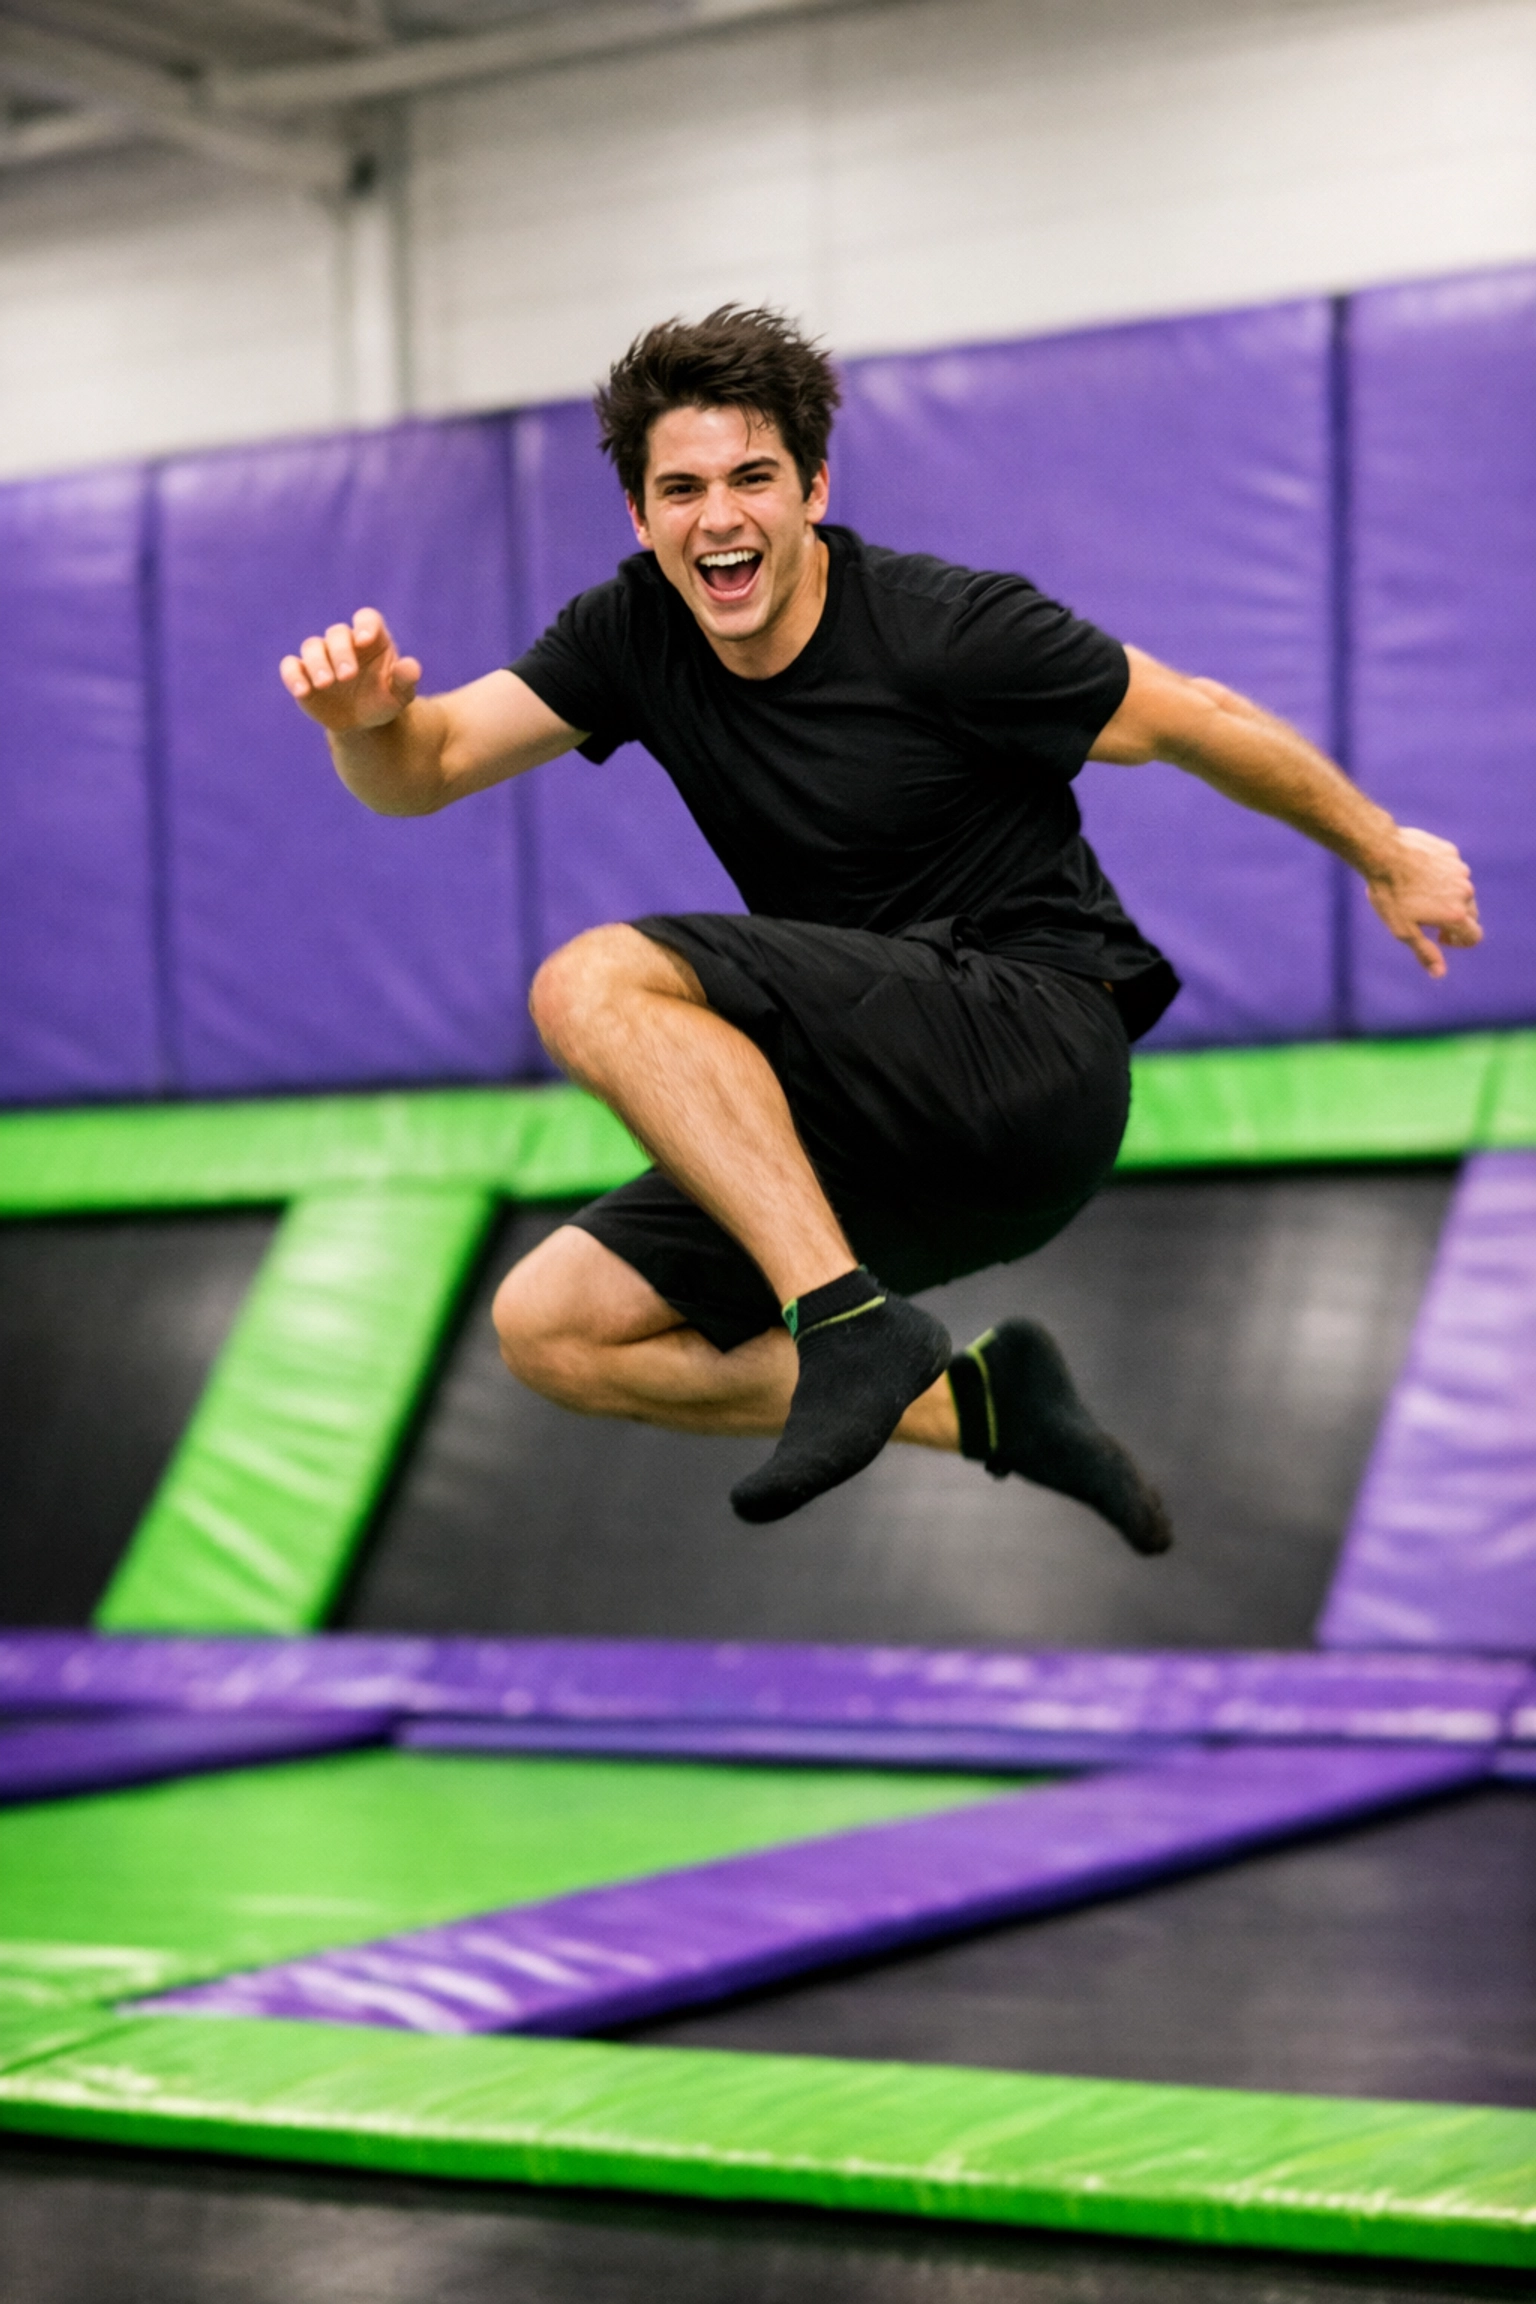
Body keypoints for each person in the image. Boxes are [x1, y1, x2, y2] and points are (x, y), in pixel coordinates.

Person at [280, 306, 1480, 1550]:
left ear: (814, 489)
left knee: (592, 984)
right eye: (680, 490)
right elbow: (426, 768)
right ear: (641, 519)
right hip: (888, 1134)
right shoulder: (632, 630)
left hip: (1031, 1046)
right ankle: (974, 1406)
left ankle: (842, 1316)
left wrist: (1383, 852)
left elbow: (1197, 716)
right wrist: (363, 725)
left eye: (754, 478)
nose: (720, 518)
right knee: (554, 1327)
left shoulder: (947, 628)